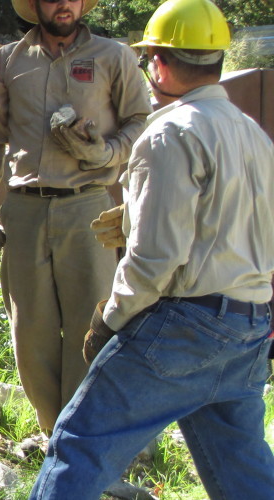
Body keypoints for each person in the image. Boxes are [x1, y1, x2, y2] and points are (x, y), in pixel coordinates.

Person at [31, 0, 274, 497]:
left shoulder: (168, 133)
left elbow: (155, 261)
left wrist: (110, 320)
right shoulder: (252, 133)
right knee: (239, 466)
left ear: (158, 63)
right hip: (249, 325)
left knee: (79, 443)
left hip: (185, 324)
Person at [0, 0, 152, 433]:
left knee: (93, 326)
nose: (63, 3)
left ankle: (86, 439)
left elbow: (141, 121)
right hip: (24, 211)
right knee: (31, 335)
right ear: (35, 5)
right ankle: (56, 436)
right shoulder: (9, 59)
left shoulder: (114, 56)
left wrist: (106, 151)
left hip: (89, 207)